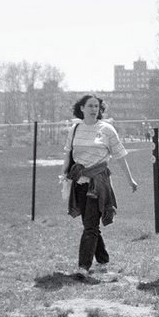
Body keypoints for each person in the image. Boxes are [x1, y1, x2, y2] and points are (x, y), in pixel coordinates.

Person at [63, 94, 138, 278]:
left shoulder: (107, 129)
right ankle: (103, 258)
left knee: (90, 226)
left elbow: (120, 156)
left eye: (96, 106)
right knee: (89, 223)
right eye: (90, 106)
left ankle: (83, 267)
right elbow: (68, 153)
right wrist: (65, 175)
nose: (93, 109)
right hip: (79, 181)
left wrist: (131, 180)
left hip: (98, 183)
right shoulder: (75, 128)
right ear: (81, 108)